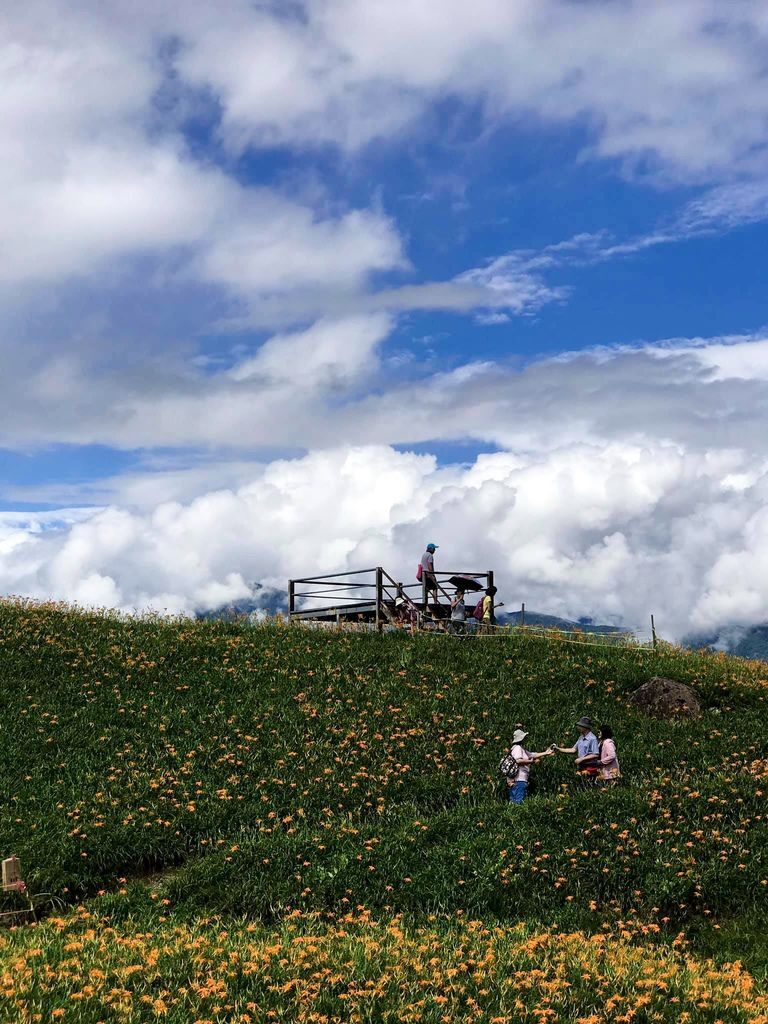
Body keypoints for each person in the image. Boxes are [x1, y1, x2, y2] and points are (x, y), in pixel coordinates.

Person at [500, 728, 553, 803]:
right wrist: (530, 762)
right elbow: (518, 760)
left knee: (514, 802)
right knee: (518, 802)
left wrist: (546, 753)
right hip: (518, 780)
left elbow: (532, 754)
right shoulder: (518, 748)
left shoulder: (520, 748)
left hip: (517, 780)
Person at [551, 716, 600, 783]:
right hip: (582, 765)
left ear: (586, 727)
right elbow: (573, 750)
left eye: (580, 726)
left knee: (588, 784)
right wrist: (558, 749)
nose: (578, 728)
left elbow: (595, 754)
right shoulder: (581, 737)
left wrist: (581, 759)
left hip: (590, 766)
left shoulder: (592, 739)